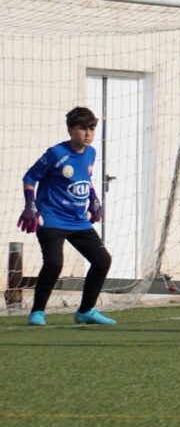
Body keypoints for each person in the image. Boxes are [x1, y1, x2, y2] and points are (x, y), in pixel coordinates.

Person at [18, 107, 115, 326]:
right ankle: (37, 313)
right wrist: (30, 205)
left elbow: (86, 177)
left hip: (78, 220)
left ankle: (86, 311)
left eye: (91, 128)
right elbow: (30, 177)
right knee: (53, 264)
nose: (87, 133)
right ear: (70, 129)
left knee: (102, 261)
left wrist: (94, 199)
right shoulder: (56, 153)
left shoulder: (91, 153)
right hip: (51, 218)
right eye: (82, 128)